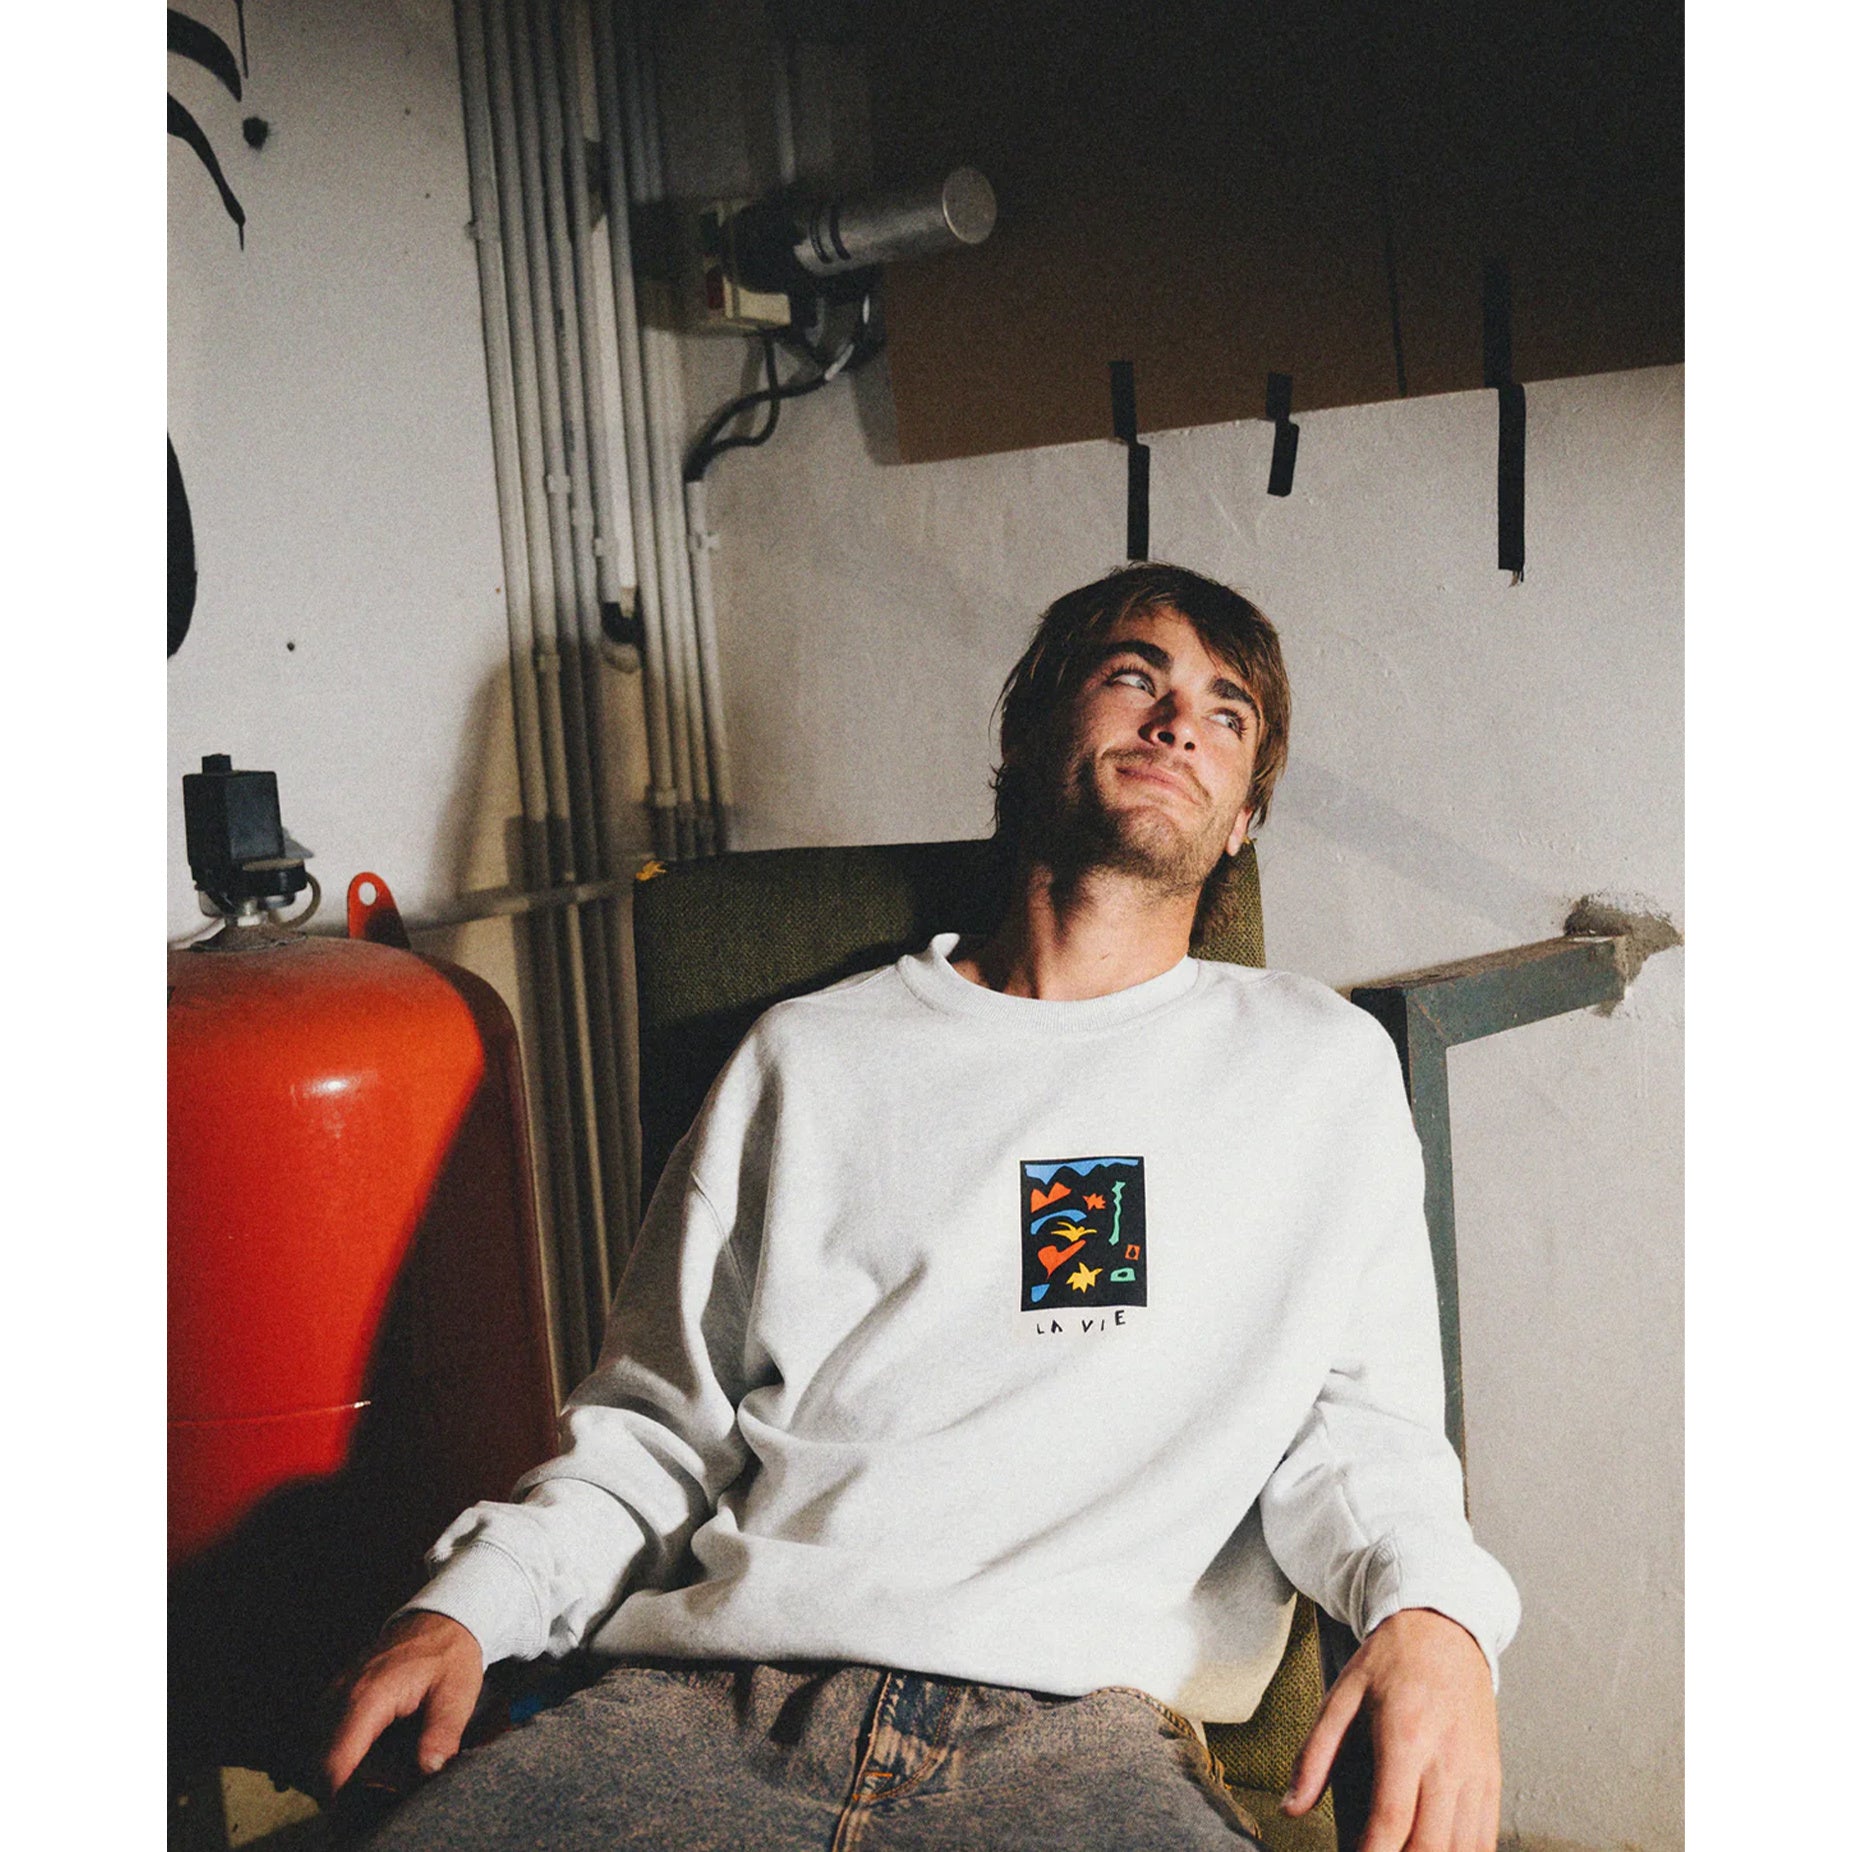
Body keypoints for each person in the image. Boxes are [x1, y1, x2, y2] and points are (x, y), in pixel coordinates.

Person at [326, 563, 1519, 1851]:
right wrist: (469, 1603)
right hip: (713, 1709)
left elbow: (1362, 1436)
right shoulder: (810, 1056)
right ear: (1028, 732)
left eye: (1228, 714)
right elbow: (656, 1437)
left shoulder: (1315, 1069)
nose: (1181, 722)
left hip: (1076, 1741)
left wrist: (1436, 1614)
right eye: (1136, 677)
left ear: (1242, 821)